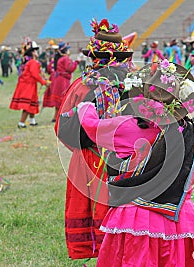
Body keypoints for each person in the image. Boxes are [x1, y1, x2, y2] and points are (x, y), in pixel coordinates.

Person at [73, 61, 194, 266]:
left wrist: (85, 106)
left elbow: (92, 127)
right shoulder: (190, 135)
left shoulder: (126, 128)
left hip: (136, 215)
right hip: (179, 216)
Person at [55, 18, 133, 260]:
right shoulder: (132, 85)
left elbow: (62, 127)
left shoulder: (80, 85)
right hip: (126, 158)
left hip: (89, 159)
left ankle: (101, 255)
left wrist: (82, 147)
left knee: (94, 208)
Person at [9, 40, 50, 128]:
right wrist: (44, 82)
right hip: (28, 85)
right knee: (27, 104)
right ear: (32, 53)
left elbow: (38, 72)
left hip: (29, 84)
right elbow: (35, 74)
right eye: (35, 51)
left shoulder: (32, 62)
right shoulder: (33, 63)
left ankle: (32, 121)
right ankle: (21, 123)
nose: (37, 52)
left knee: (33, 103)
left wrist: (44, 78)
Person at [43, 42, 78, 122]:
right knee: (63, 99)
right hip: (62, 81)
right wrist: (76, 63)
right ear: (66, 51)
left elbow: (49, 69)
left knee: (59, 100)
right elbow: (70, 68)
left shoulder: (56, 58)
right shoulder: (65, 58)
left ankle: (56, 117)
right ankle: (61, 117)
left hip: (56, 79)